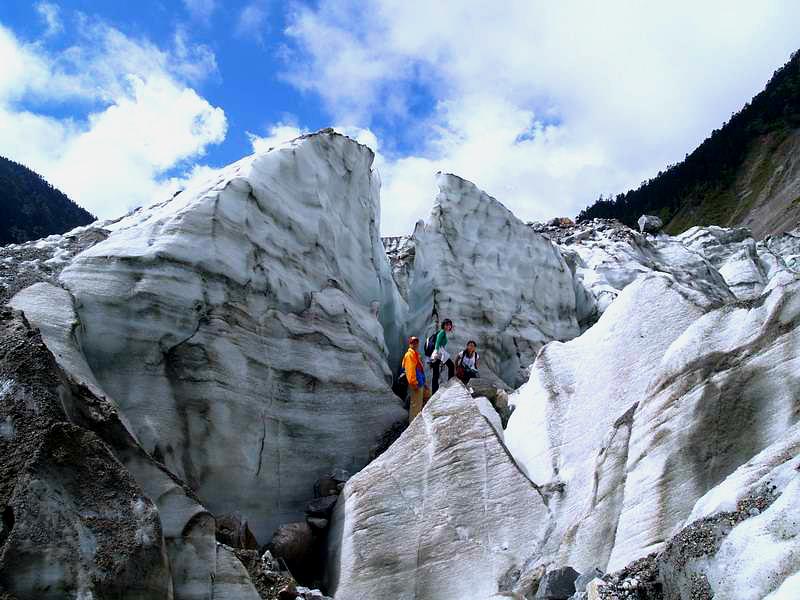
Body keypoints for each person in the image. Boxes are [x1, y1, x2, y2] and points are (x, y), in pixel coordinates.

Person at [402, 336, 427, 420]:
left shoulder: (415, 354)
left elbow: (419, 369)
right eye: (413, 342)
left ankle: (417, 420)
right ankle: (413, 425)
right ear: (409, 344)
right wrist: (414, 383)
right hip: (416, 384)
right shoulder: (409, 355)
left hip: (420, 383)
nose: (415, 344)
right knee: (415, 406)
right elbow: (410, 370)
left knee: (419, 403)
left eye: (416, 342)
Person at [430, 319, 454, 394]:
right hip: (438, 354)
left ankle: (434, 391)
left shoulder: (443, 333)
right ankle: (451, 384)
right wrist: (436, 353)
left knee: (436, 373)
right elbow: (437, 342)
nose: (448, 326)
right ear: (443, 325)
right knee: (451, 366)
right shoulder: (442, 332)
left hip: (440, 353)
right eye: (446, 325)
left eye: (449, 325)